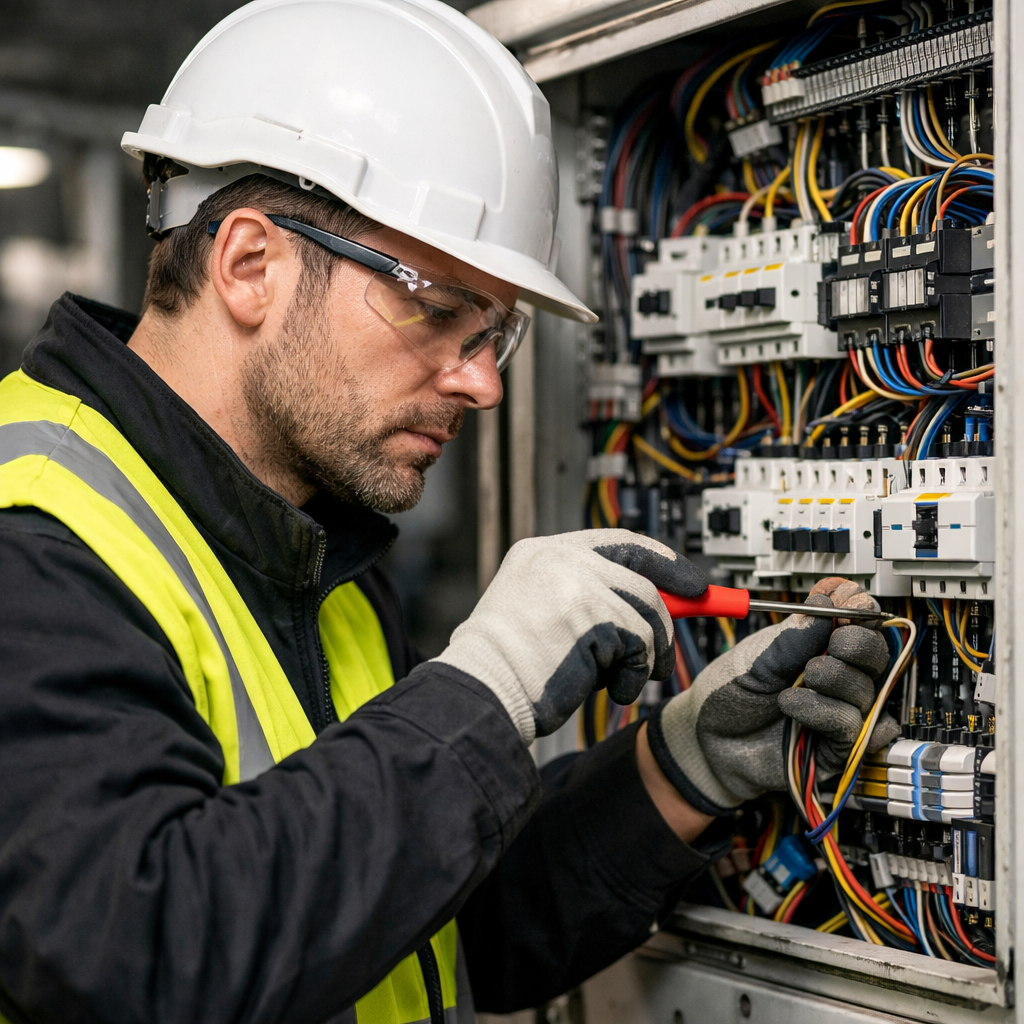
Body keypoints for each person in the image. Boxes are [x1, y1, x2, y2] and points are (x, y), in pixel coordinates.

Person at [0, 1, 900, 1021]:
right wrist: (483, 690)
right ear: (251, 264)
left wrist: (680, 764)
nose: (484, 386)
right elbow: (136, 958)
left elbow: (400, 924)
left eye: (496, 333)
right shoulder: (33, 534)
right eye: (436, 309)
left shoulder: (304, 542)